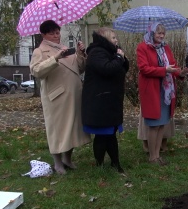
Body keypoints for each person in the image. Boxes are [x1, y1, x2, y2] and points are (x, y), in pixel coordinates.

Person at [29, 20, 91, 175]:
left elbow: (80, 68)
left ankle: (67, 159)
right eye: (52, 33)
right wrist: (54, 58)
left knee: (72, 128)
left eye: (57, 32)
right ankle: (57, 163)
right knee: (57, 131)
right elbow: (36, 71)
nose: (56, 36)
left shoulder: (65, 48)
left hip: (74, 95)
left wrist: (80, 54)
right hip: (56, 98)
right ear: (43, 35)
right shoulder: (40, 51)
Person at [136, 22, 188, 165]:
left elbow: (172, 65)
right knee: (154, 124)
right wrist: (164, 70)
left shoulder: (165, 47)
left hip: (166, 91)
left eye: (163, 33)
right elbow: (144, 69)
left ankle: (157, 155)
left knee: (162, 124)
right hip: (151, 90)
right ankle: (152, 157)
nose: (161, 35)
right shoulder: (143, 47)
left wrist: (180, 72)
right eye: (158, 33)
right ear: (152, 33)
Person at [82, 27, 129, 173]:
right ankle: (100, 165)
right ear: (105, 39)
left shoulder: (110, 51)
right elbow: (107, 69)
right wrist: (119, 58)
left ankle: (115, 164)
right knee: (102, 135)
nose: (116, 40)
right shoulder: (96, 52)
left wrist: (122, 57)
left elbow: (122, 68)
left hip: (110, 100)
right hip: (100, 102)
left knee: (111, 133)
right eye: (113, 38)